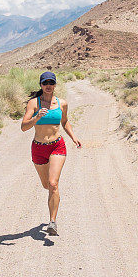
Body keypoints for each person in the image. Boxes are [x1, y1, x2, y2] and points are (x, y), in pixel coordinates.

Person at [21, 71, 82, 236]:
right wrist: (36, 118)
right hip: (39, 148)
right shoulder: (34, 103)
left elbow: (65, 121)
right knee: (46, 185)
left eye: (51, 83)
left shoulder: (62, 103)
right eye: (45, 83)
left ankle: (52, 222)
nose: (48, 86)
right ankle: (52, 209)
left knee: (53, 184)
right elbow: (24, 126)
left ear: (55, 85)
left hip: (57, 146)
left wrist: (73, 137)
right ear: (41, 85)